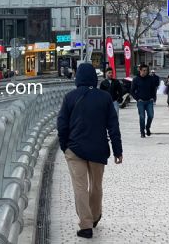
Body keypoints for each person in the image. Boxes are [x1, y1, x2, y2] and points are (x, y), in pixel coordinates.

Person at [57, 63, 123, 239]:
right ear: (95, 77)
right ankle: (94, 216)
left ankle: (85, 225)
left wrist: (65, 146)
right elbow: (113, 126)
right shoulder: (105, 97)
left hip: (75, 149)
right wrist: (117, 150)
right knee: (96, 185)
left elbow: (62, 125)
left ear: (78, 78)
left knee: (80, 187)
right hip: (98, 148)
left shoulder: (69, 97)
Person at [131, 64, 157, 138]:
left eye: (146, 70)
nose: (145, 72)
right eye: (143, 70)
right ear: (140, 70)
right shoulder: (136, 79)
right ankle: (142, 132)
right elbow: (132, 91)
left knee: (151, 116)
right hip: (141, 102)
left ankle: (147, 127)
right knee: (142, 117)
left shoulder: (150, 79)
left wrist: (153, 98)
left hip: (149, 101)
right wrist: (137, 99)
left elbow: (153, 89)